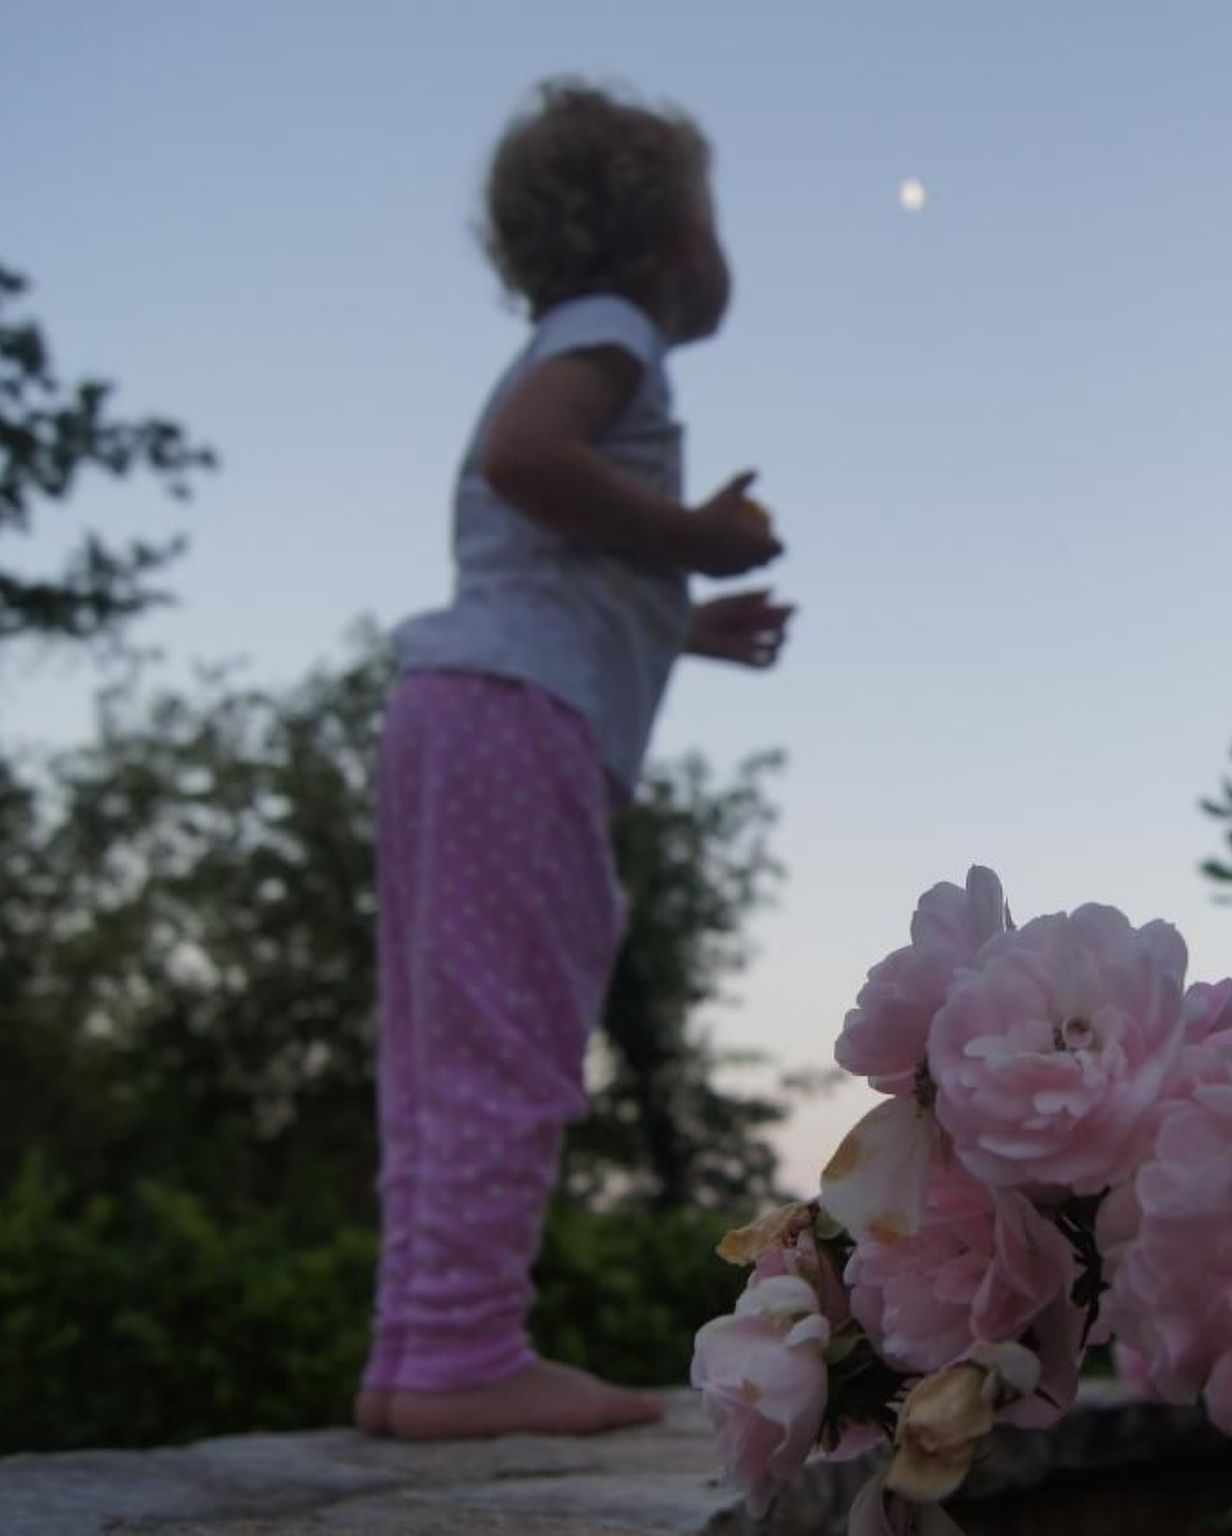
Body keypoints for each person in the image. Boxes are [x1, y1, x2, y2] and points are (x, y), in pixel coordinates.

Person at [354, 78, 792, 1441]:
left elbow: (552, 551)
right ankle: (467, 1353)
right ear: (670, 242)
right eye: (711, 216)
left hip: (457, 707)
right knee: (512, 1032)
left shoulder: (570, 336)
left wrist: (689, 622)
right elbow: (524, 463)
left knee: (441, 1044)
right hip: (516, 724)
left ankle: (414, 1352)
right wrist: (695, 539)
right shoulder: (614, 338)